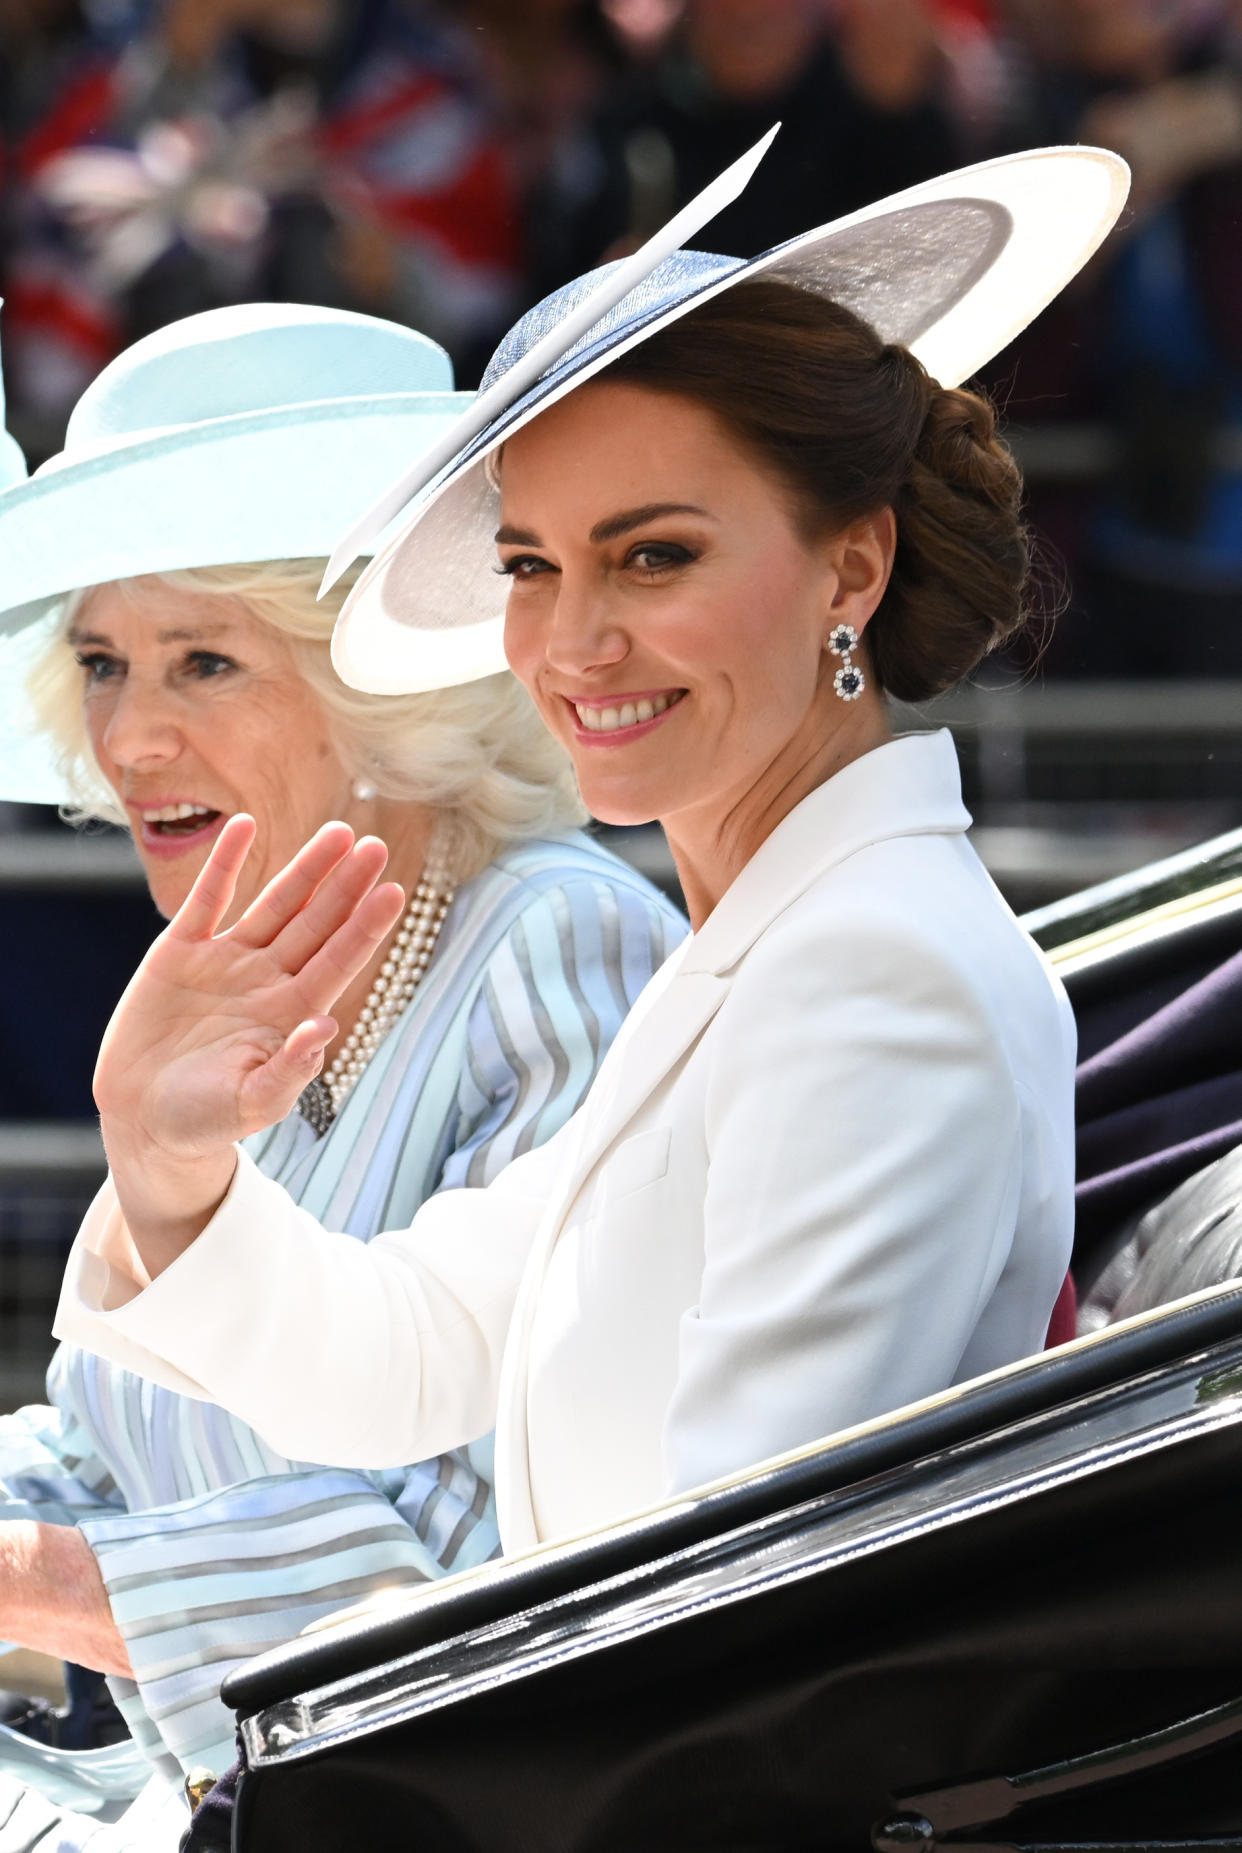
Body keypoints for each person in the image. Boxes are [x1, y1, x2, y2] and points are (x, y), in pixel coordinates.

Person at [56, 145, 1129, 1565]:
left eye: (654, 556)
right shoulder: (768, 943)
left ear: (850, 569)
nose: (571, 644)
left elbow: (728, 1583)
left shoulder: (872, 969)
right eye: (529, 566)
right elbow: (418, 1348)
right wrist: (165, 1155)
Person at [0, 300, 684, 1845]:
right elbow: (104, 1445)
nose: (132, 731)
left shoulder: (555, 946)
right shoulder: (228, 971)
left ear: (380, 683)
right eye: (103, 661)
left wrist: (30, 1587)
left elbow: (491, 1543)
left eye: (203, 660)